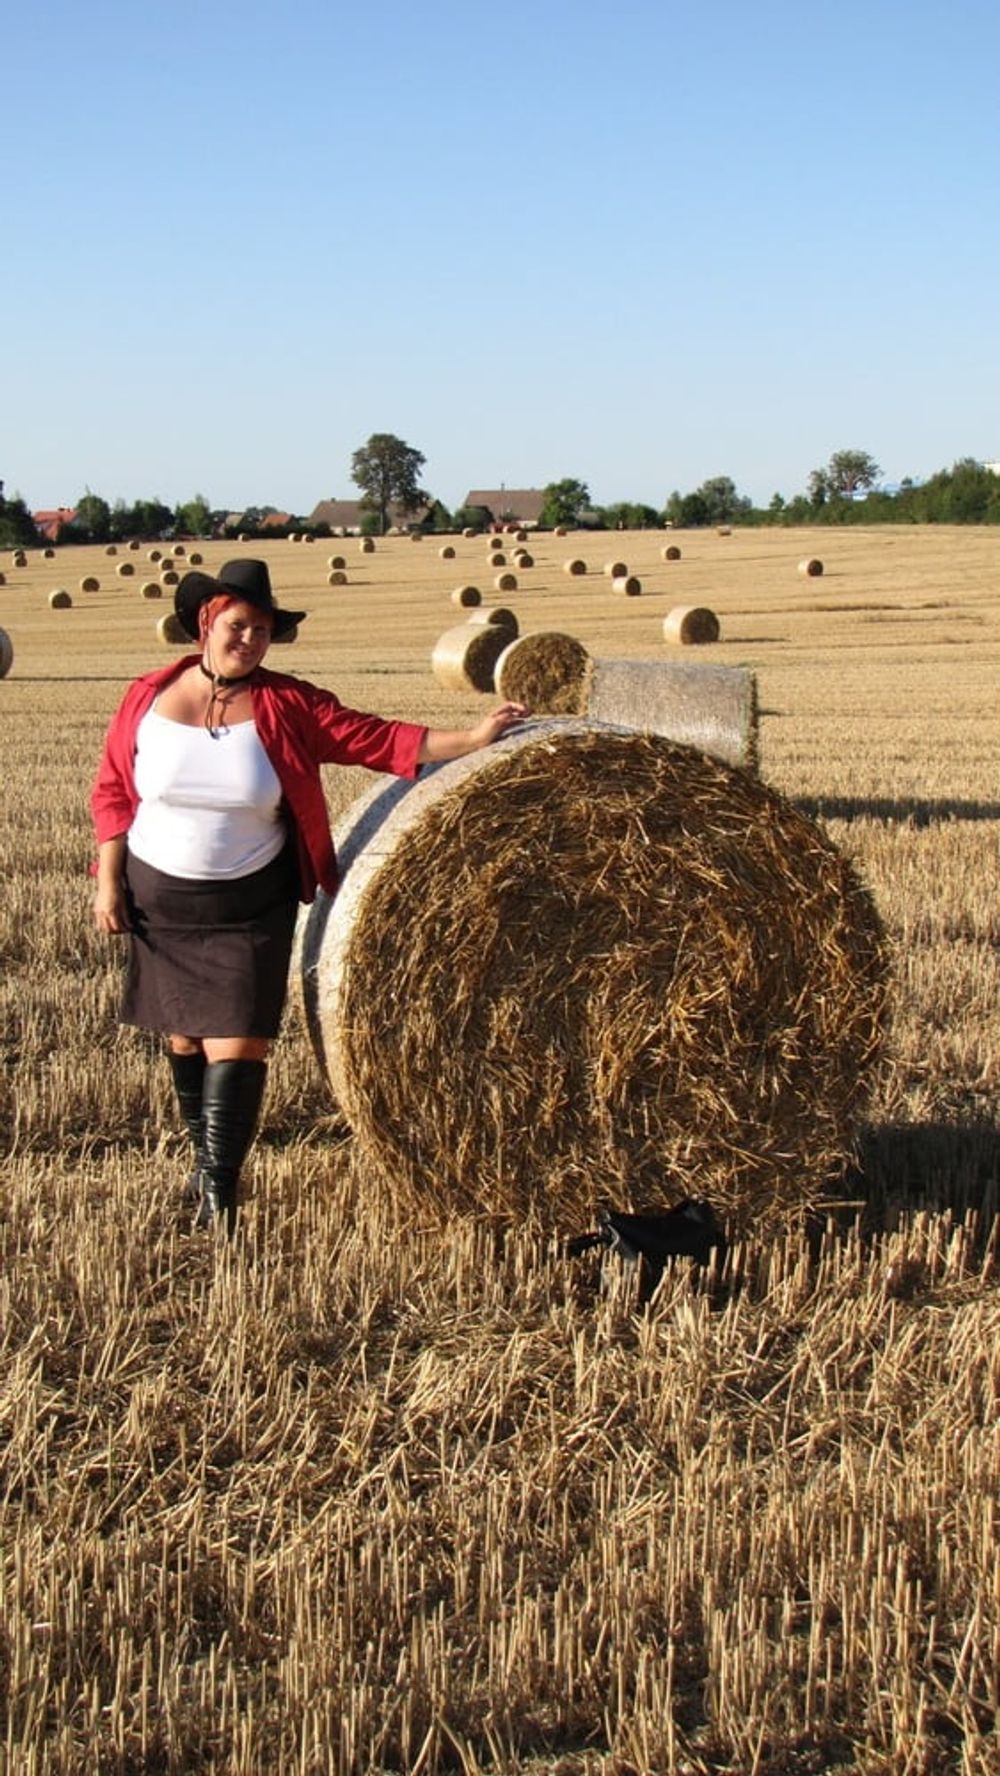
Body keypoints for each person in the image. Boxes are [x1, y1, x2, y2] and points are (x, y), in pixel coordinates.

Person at [91, 557, 526, 1233]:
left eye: (263, 630)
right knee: (182, 1038)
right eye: (240, 626)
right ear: (207, 624)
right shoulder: (146, 697)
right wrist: (107, 880)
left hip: (250, 901)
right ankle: (203, 1162)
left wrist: (471, 738)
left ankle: (221, 1192)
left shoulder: (288, 703)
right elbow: (115, 791)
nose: (250, 640)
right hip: (162, 897)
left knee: (239, 1043)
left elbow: (376, 739)